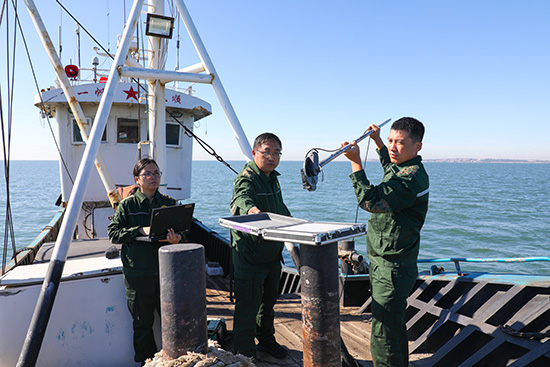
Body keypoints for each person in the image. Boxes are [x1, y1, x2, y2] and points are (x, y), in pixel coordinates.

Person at [342, 117, 429, 367]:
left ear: (418, 147)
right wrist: (378, 141)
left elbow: (369, 200)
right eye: (391, 141)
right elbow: (390, 166)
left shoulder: (411, 179)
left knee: (383, 333)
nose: (393, 147)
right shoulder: (402, 167)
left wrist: (356, 164)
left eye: (400, 143)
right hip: (385, 263)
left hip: (393, 268)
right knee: (392, 327)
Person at [108, 158, 182, 364]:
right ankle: (147, 362)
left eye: (156, 173)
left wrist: (177, 239)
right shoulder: (128, 206)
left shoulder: (170, 204)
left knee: (173, 323)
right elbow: (114, 234)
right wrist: (139, 230)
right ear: (137, 180)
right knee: (142, 324)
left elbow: (184, 233)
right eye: (147, 174)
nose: (153, 177)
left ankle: (174, 361)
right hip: (138, 275)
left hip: (167, 274)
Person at [230, 132, 291, 360]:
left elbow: (280, 208)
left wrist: (296, 225)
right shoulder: (246, 177)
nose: (272, 157)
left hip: (272, 252)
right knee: (248, 304)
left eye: (276, 153)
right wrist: (251, 210)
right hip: (251, 254)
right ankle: (244, 352)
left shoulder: (273, 177)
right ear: (255, 152)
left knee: (268, 301)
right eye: (267, 152)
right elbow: (241, 200)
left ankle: (265, 340)